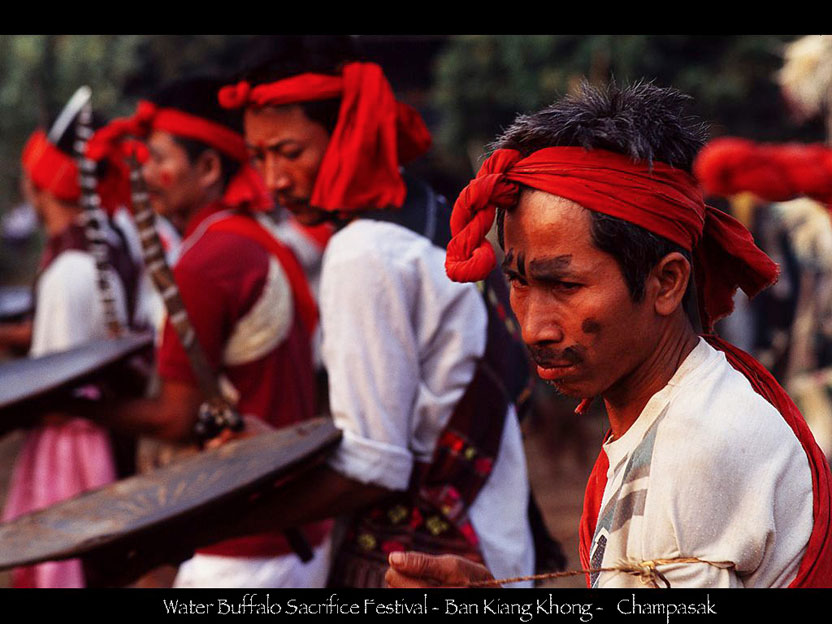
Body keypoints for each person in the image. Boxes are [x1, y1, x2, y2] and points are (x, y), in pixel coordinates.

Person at [386, 81, 832, 589]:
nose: (534, 327)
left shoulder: (693, 450)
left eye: (565, 285)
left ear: (667, 282)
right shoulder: (688, 405)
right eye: (519, 281)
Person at [211, 35, 538, 587]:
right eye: (258, 157)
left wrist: (222, 516)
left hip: (436, 561)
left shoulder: (360, 251)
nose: (273, 180)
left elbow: (374, 465)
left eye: (290, 153)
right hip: (495, 537)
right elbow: (407, 412)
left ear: (347, 135)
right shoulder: (423, 213)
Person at [85, 76, 332, 588]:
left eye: (159, 159)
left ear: (209, 168)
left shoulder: (206, 260)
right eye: (144, 161)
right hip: (295, 522)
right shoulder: (249, 235)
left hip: (246, 545)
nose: (147, 174)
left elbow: (176, 418)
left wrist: (73, 408)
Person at [2, 107, 144, 588]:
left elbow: (53, 387)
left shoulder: (71, 271)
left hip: (75, 444)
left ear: (37, 187)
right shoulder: (98, 246)